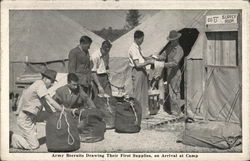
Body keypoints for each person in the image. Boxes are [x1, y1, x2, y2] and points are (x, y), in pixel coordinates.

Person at [10, 69, 69, 150]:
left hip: (30, 119)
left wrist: (55, 114)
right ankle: (11, 137)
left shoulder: (39, 86)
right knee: (34, 146)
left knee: (31, 139)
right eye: (51, 81)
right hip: (25, 119)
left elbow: (45, 104)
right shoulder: (40, 85)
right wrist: (62, 110)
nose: (52, 84)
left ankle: (15, 139)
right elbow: (50, 101)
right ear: (45, 78)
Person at [156, 30, 184, 116]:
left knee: (175, 91)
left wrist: (163, 64)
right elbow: (163, 56)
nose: (171, 41)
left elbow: (175, 63)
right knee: (170, 91)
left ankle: (177, 111)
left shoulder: (179, 50)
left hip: (175, 73)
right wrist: (155, 57)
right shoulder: (169, 48)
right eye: (171, 40)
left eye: (173, 40)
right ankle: (173, 110)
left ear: (177, 39)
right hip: (169, 73)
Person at [128, 30, 154, 119]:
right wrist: (148, 62)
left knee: (144, 93)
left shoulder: (138, 48)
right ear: (137, 38)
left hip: (142, 71)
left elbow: (142, 58)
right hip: (137, 71)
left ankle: (144, 114)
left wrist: (150, 57)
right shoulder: (132, 48)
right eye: (141, 39)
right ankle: (137, 115)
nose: (142, 41)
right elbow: (137, 64)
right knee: (138, 94)